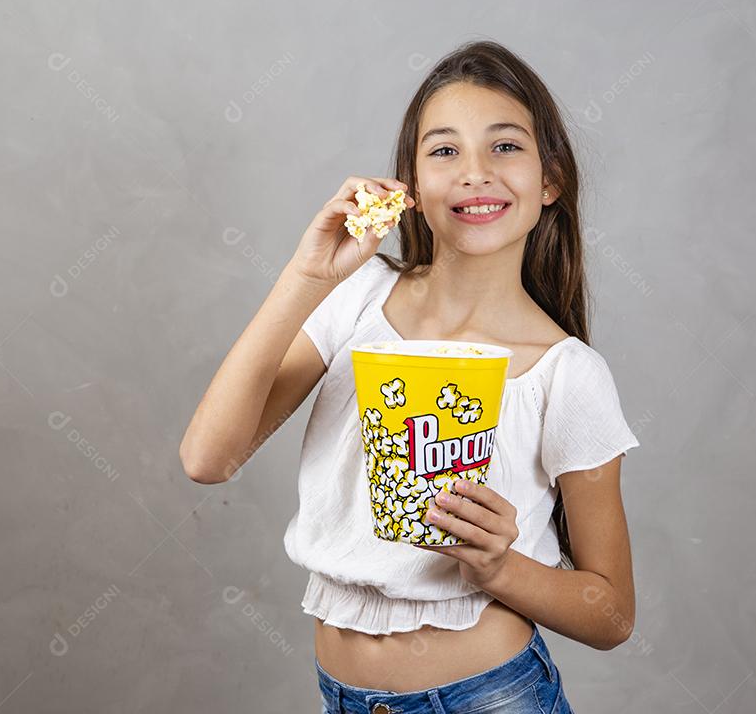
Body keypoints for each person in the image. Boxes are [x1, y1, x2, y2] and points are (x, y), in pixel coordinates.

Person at [180, 39, 641, 714]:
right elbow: (207, 458)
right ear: (412, 187)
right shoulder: (355, 297)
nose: (474, 173)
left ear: (551, 181)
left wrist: (498, 567)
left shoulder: (567, 374)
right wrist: (308, 277)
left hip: (492, 697)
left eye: (506, 147)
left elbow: (612, 614)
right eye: (444, 150)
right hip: (341, 695)